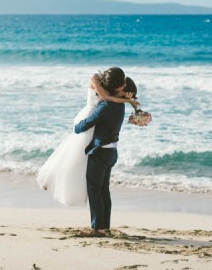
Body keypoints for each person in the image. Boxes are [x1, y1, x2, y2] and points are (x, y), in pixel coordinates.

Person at [36, 68, 136, 206]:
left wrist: (128, 99)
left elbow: (110, 100)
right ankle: (50, 177)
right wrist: (128, 102)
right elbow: (107, 98)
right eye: (121, 85)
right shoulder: (95, 78)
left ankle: (65, 181)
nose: (123, 86)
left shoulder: (110, 85)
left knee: (80, 156)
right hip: (90, 114)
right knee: (74, 152)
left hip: (97, 118)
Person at [73, 77, 138, 237]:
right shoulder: (120, 105)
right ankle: (105, 227)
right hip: (111, 152)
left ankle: (97, 229)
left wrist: (77, 126)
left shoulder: (108, 105)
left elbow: (86, 124)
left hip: (101, 152)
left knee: (95, 190)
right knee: (103, 191)